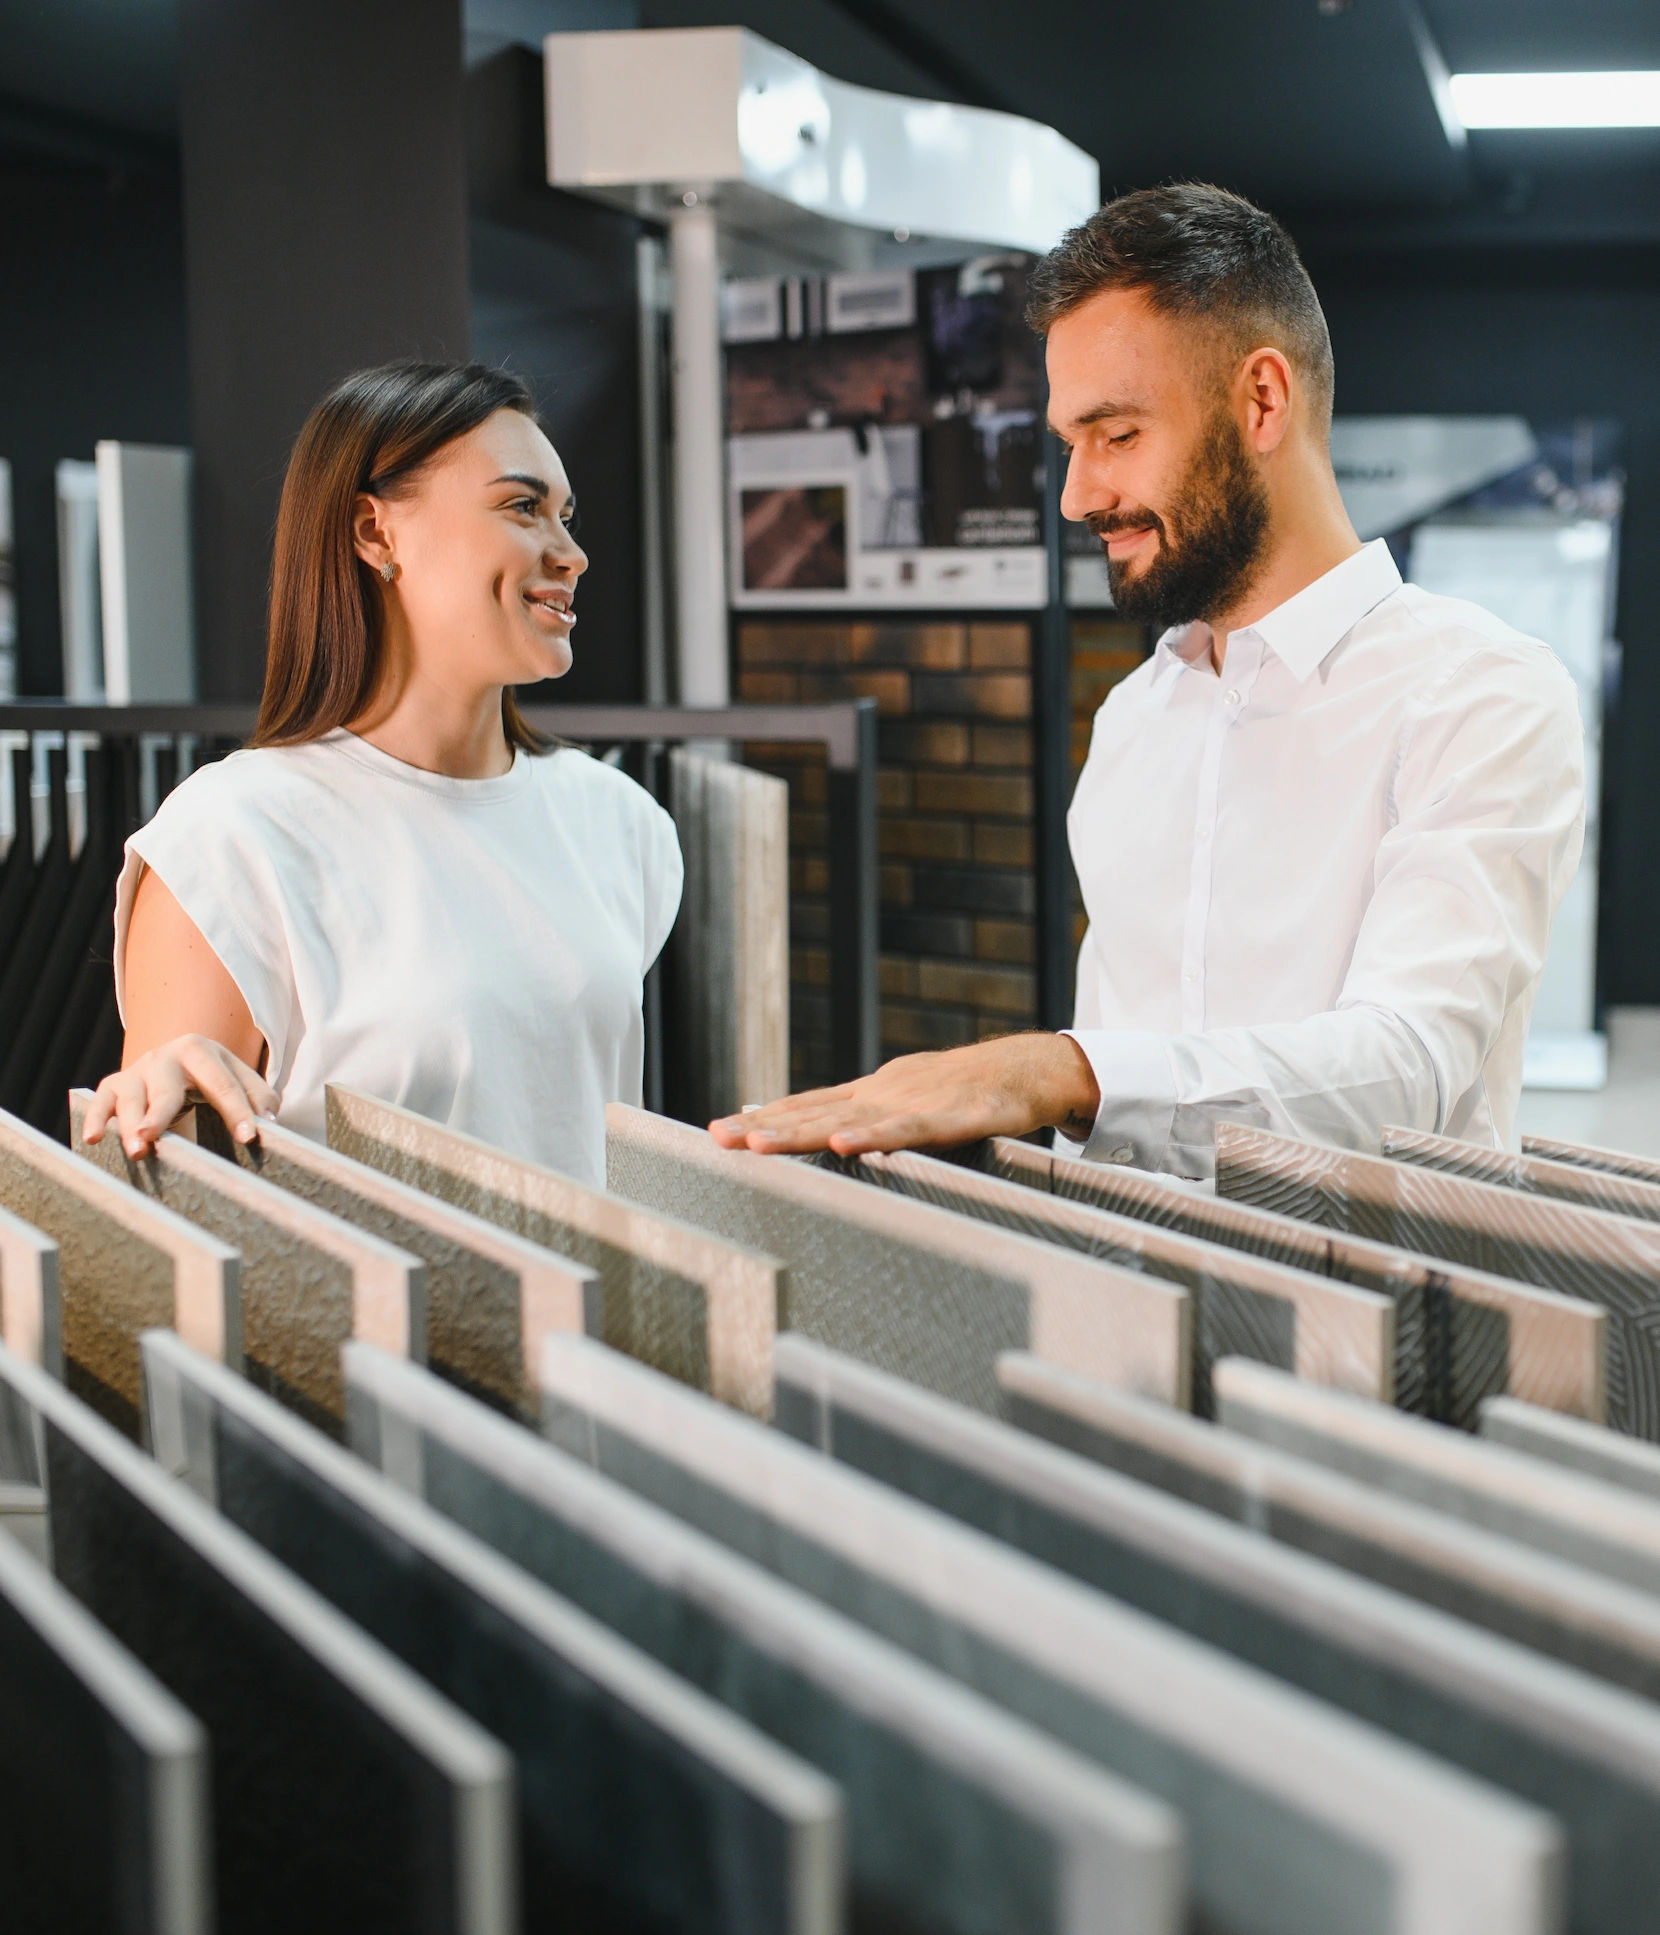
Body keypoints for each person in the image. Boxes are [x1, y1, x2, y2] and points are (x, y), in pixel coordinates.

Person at [713, 184, 1585, 1178]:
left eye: (1118, 435)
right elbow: (1122, 1094)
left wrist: (1055, 1072)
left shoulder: (1480, 694)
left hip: (1372, 1280)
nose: (1078, 495)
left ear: (1262, 401)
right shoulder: (1135, 715)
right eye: (1069, 445)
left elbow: (1406, 1069)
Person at [83, 361, 682, 1190]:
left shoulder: (620, 823)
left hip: (591, 1283)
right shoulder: (229, 838)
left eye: (566, 516)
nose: (571, 554)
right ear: (375, 533)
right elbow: (169, 1192)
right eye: (523, 507)